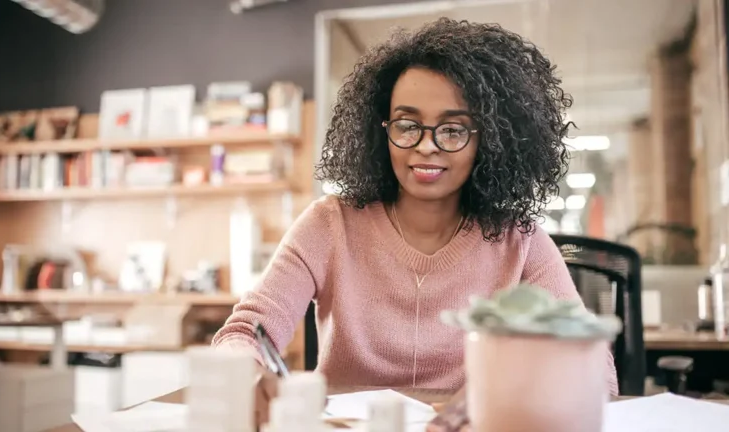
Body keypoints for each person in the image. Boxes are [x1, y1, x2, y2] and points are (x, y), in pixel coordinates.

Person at [213, 18, 618, 424]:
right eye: (408, 125)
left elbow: (594, 369)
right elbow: (244, 332)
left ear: (489, 139)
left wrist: (511, 393)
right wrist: (246, 371)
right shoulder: (328, 224)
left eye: (453, 129)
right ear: (381, 128)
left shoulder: (521, 241)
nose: (426, 146)